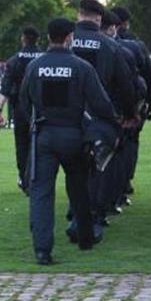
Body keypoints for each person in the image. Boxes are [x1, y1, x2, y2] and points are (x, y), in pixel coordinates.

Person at [18, 18, 118, 263]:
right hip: (74, 134)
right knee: (79, 187)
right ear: (69, 37)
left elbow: (23, 101)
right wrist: (109, 124)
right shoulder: (81, 67)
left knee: (41, 192)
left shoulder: (35, 66)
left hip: (44, 134)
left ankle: (42, 250)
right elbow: (101, 103)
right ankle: (85, 236)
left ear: (48, 36)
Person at [70, 0, 137, 237]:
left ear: (79, 15)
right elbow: (125, 84)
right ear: (99, 19)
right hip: (99, 115)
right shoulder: (111, 46)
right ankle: (92, 217)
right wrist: (129, 115)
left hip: (67, 116)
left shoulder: (66, 41)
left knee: (74, 167)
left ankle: (76, 212)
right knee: (98, 168)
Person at [112, 6, 151, 204]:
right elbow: (149, 75)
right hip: (130, 103)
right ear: (126, 23)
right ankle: (122, 185)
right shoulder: (135, 46)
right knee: (128, 144)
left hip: (102, 106)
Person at [0, 26, 45, 193]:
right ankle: (35, 178)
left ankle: (24, 178)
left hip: (20, 108)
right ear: (38, 40)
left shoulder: (14, 60)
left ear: (23, 39)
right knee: (37, 145)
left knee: (22, 145)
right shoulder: (44, 59)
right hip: (41, 108)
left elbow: (5, 88)